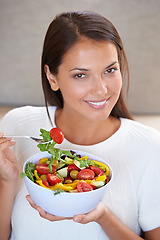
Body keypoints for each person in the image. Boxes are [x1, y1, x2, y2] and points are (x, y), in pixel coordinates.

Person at [0, 11, 160, 240]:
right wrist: (7, 180)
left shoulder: (150, 147)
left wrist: (102, 215)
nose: (101, 90)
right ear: (52, 77)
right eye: (81, 75)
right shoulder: (18, 124)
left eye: (110, 70)